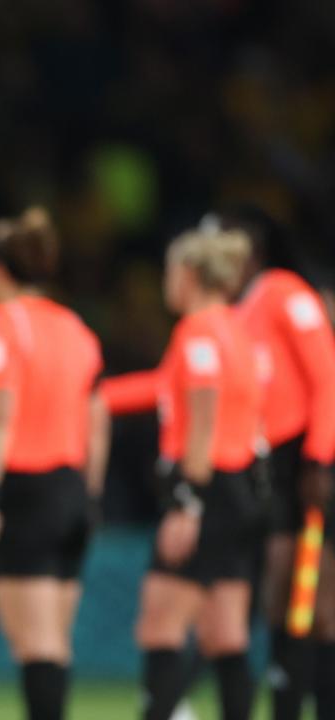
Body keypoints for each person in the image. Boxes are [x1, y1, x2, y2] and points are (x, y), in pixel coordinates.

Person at [99, 224, 262, 720]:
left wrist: (186, 503)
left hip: (205, 489)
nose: (166, 283)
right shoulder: (235, 331)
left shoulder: (197, 332)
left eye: (169, 273)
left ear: (188, 274)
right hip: (242, 489)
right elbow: (167, 387)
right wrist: (99, 397)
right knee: (225, 633)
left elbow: (204, 414)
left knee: (159, 626)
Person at [0, 208, 107, 720]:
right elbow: (99, 413)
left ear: (1, 269)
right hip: (72, 490)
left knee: (35, 644)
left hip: (26, 489)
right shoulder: (75, 327)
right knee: (55, 643)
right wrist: (90, 494)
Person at [227, 214, 335, 720]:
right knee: (290, 602)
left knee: (314, 603)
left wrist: (318, 459)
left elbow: (327, 378)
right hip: (281, 463)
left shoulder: (286, 292)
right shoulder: (242, 308)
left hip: (310, 463)